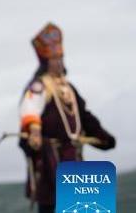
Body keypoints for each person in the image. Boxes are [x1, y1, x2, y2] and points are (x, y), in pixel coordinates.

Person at [18, 23, 115, 213]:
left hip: (73, 155)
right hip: (51, 158)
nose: (59, 62)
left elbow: (85, 116)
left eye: (60, 57)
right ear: (45, 61)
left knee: (83, 207)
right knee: (53, 205)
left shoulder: (69, 89)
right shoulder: (39, 87)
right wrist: (34, 133)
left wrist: (102, 137)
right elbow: (30, 112)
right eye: (54, 58)